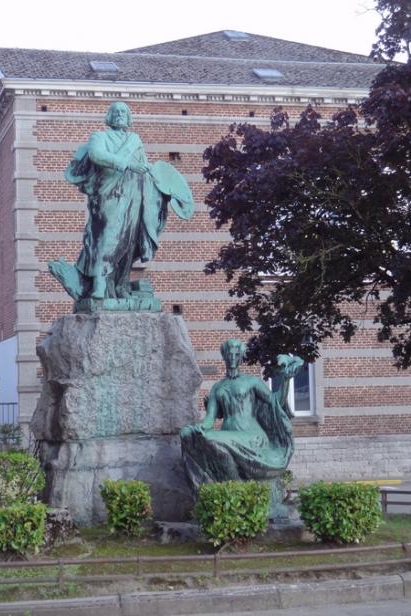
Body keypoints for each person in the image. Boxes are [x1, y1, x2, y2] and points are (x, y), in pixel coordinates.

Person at [48, 101, 194, 302]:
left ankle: (121, 284)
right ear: (109, 116)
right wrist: (127, 164)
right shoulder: (99, 137)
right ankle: (99, 283)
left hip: (134, 195)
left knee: (130, 240)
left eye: (123, 112)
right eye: (115, 111)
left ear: (128, 117)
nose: (119, 115)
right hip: (109, 195)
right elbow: (96, 155)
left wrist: (162, 188)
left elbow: (143, 167)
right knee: (107, 236)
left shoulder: (135, 139)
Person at [180, 339, 304, 491]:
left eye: (236, 354)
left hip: (252, 437)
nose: (233, 358)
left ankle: (238, 490)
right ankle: (230, 486)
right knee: (187, 434)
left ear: (240, 357)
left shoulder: (251, 381)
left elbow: (275, 401)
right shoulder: (217, 387)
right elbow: (209, 421)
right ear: (224, 356)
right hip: (228, 435)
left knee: (213, 438)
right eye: (229, 354)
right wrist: (197, 428)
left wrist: (285, 380)